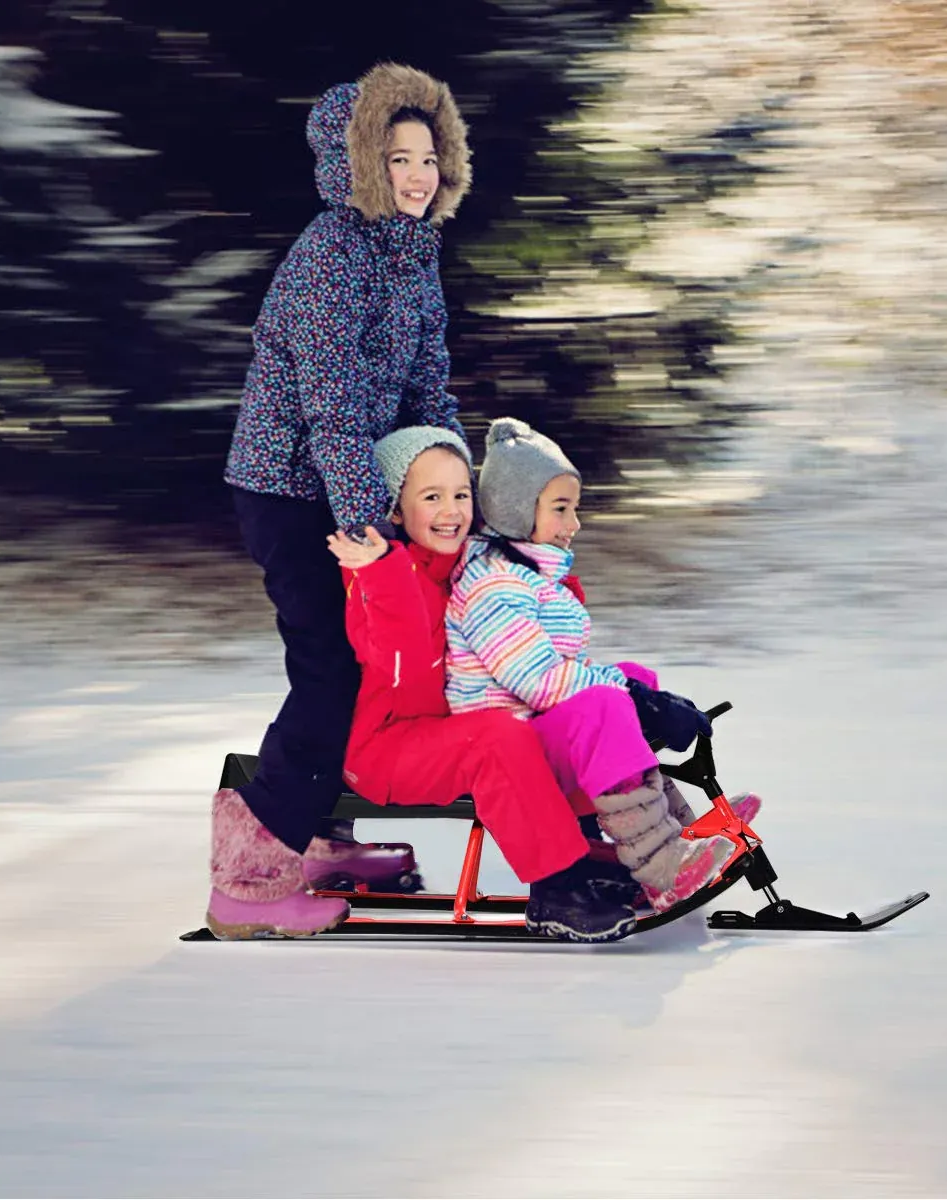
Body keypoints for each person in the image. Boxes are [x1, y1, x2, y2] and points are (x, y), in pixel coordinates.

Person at [206, 64, 473, 940]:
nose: (417, 175)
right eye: (397, 158)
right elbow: (330, 403)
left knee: (372, 659)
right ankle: (249, 875)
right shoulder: (330, 254)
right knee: (332, 668)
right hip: (288, 488)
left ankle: (324, 839)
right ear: (359, 164)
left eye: (428, 158)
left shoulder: (413, 257)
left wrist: (452, 488)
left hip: (350, 483)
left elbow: (428, 388)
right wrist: (365, 519)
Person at [325, 425, 641, 943]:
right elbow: (404, 662)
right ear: (396, 511)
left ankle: (593, 846)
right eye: (432, 497)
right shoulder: (371, 575)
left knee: (575, 709)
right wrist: (385, 572)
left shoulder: (470, 562)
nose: (451, 511)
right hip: (386, 747)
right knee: (499, 737)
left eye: (461, 495)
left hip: (445, 729)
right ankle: (557, 888)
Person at [446, 417, 762, 913]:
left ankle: (675, 834)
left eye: (574, 508)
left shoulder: (525, 575)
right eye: (560, 509)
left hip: (532, 725)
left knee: (634, 678)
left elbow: (562, 674)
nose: (574, 524)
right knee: (609, 705)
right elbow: (538, 681)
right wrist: (637, 701)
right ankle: (661, 865)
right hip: (506, 747)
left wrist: (642, 693)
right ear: (516, 509)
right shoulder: (493, 587)